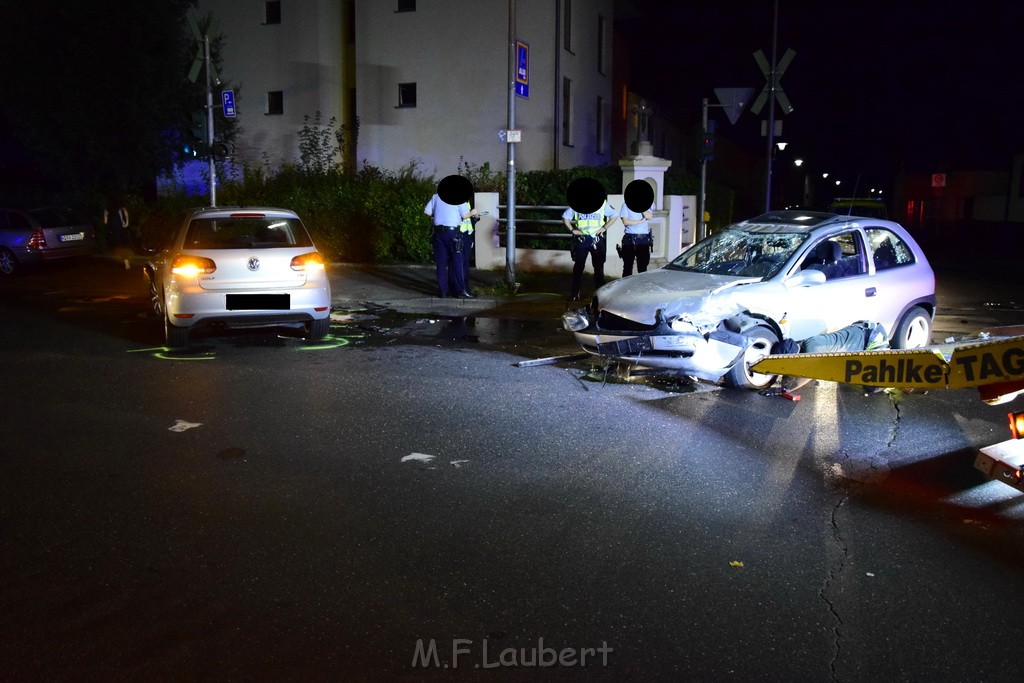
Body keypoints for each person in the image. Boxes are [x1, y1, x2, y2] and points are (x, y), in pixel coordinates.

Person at [760, 321, 890, 399]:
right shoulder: (806, 343)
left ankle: (897, 382)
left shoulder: (813, 352)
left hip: (871, 339)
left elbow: (802, 377)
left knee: (870, 386)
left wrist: (780, 389)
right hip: (859, 329)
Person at [562, 178, 617, 301]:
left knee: (598, 268)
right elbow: (565, 217)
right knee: (579, 267)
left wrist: (604, 227)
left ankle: (600, 295)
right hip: (582, 239)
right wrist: (572, 230)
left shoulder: (602, 203)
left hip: (597, 239)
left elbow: (614, 215)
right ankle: (575, 294)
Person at [424, 175, 478, 298]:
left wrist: (438, 216)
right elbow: (465, 216)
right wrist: (473, 213)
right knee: (457, 261)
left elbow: (427, 211)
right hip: (453, 233)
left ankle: (443, 291)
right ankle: (461, 291)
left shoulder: (436, 196)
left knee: (441, 263)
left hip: (438, 233)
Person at [618, 202, 654, 276]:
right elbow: (625, 221)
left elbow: (648, 216)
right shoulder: (626, 204)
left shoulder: (648, 203)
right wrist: (639, 222)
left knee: (643, 268)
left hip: (643, 240)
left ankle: (641, 287)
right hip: (629, 239)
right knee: (627, 268)